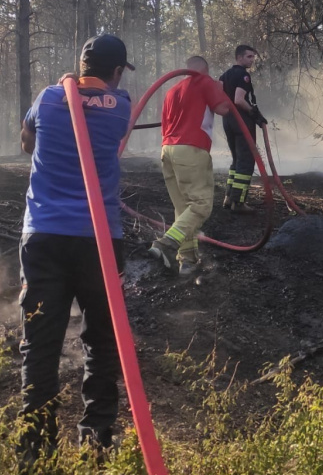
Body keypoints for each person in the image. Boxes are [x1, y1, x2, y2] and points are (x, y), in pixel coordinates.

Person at [17, 33, 134, 466]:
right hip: (99, 240)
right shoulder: (121, 107)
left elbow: (27, 142)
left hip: (43, 237)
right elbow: (110, 120)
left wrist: (65, 89)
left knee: (40, 343)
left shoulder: (48, 98)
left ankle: (34, 450)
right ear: (117, 71)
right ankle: (98, 443)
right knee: (103, 342)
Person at [148, 56, 231, 277]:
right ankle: (166, 243)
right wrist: (220, 89)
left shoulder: (171, 90)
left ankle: (188, 260)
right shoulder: (205, 82)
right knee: (201, 205)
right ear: (205, 70)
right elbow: (224, 108)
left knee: (184, 208)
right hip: (191, 149)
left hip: (167, 150)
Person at [219, 44, 266, 212]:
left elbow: (219, 98)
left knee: (236, 160)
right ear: (239, 57)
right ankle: (238, 203)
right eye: (249, 57)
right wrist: (253, 113)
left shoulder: (224, 76)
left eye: (253, 57)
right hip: (241, 121)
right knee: (246, 161)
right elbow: (239, 99)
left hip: (227, 120)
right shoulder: (243, 75)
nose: (252, 60)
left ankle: (229, 198)